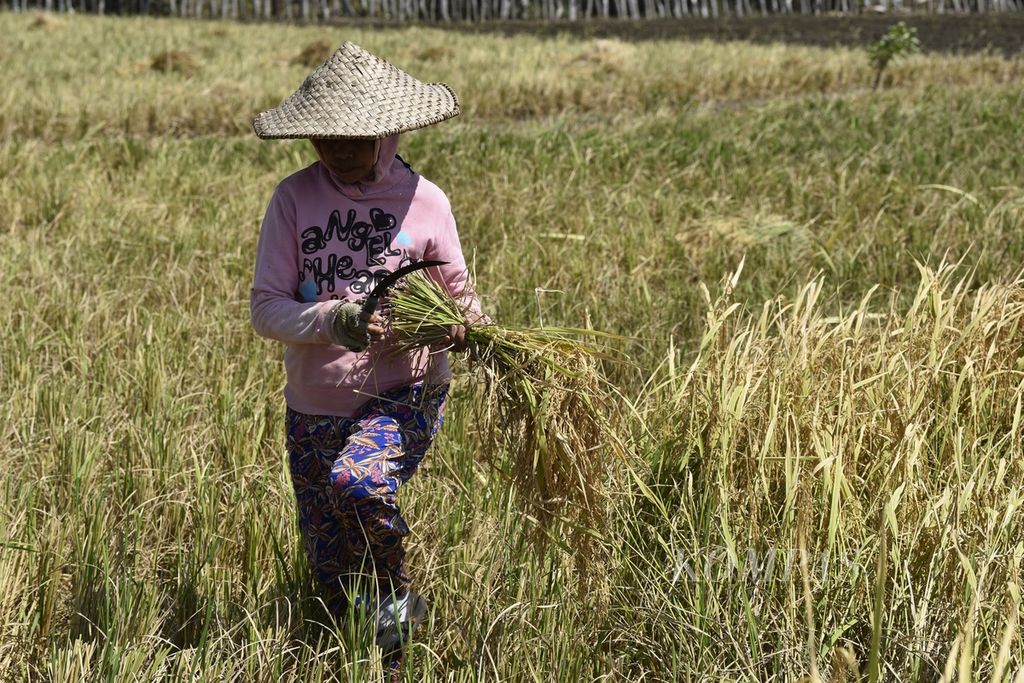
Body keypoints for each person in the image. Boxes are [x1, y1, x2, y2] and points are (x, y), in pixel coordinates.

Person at [249, 42, 481, 681]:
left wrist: (472, 331)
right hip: (313, 405)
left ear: (389, 132)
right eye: (324, 139)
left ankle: (399, 606)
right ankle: (350, 651)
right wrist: (334, 320)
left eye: (354, 139)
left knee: (359, 483)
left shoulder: (426, 202)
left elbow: (460, 295)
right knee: (328, 564)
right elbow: (266, 309)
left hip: (404, 392)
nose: (338, 151)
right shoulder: (293, 200)